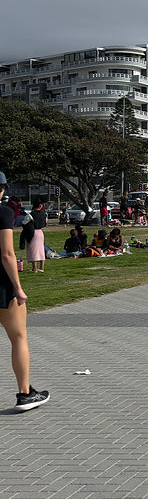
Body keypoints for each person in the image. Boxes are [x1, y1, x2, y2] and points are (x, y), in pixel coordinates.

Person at [0, 174, 50, 411]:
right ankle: (24, 393)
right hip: (2, 285)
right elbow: (7, 254)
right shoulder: (4, 213)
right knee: (18, 338)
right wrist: (18, 288)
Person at [25, 197, 47, 273]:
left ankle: (34, 268)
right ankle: (41, 267)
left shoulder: (31, 214)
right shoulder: (44, 214)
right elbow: (45, 224)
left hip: (33, 232)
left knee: (33, 249)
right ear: (40, 205)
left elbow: (25, 222)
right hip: (40, 232)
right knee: (41, 249)